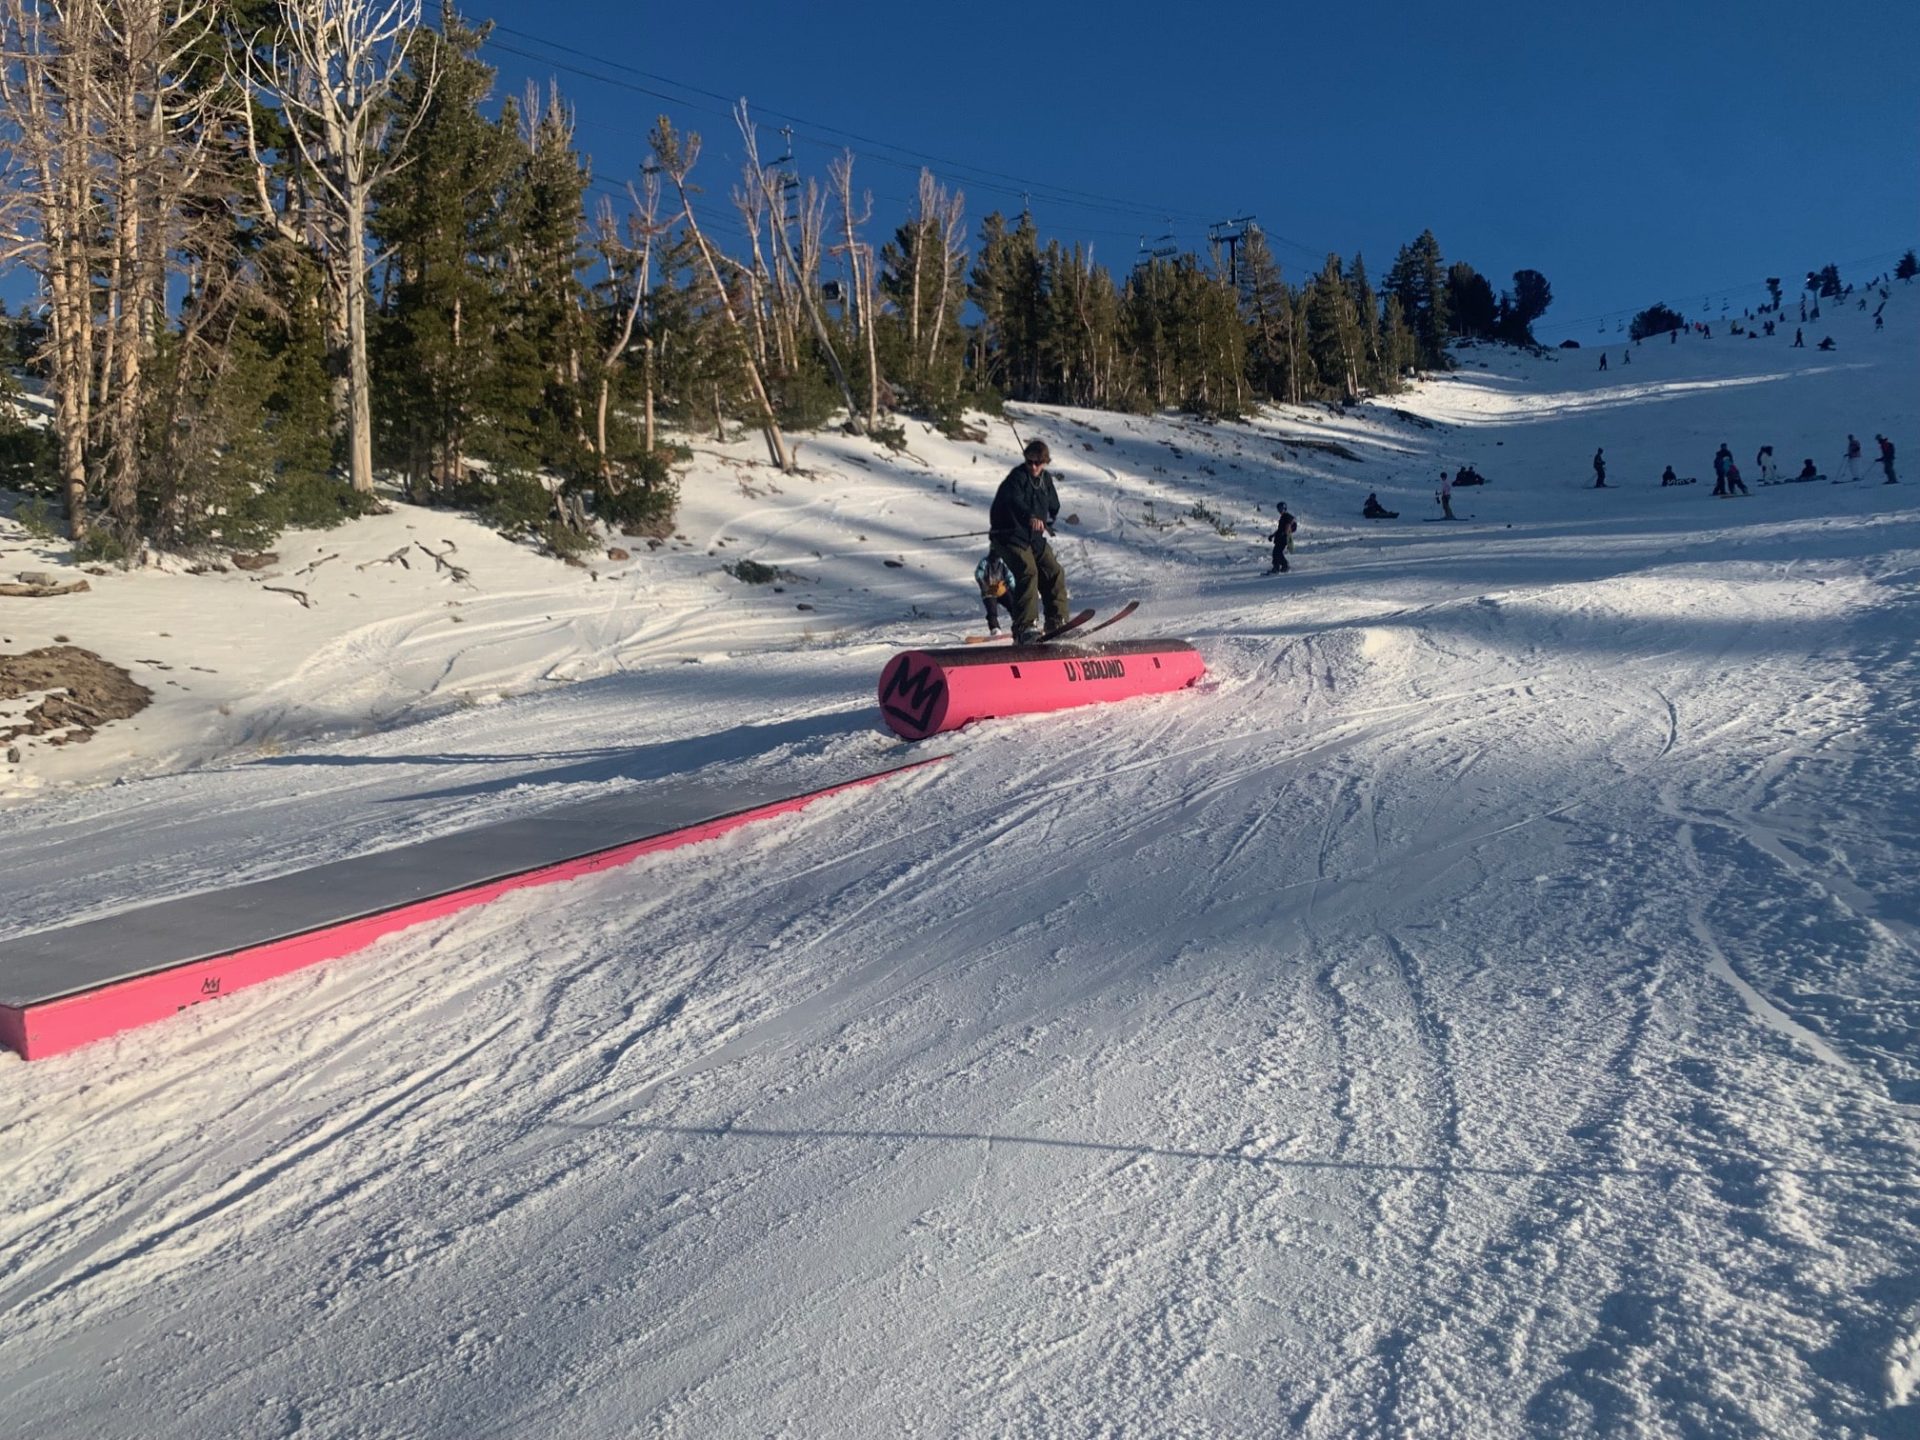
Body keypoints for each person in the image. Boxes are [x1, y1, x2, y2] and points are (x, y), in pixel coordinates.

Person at [989, 439, 1069, 643]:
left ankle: (1056, 621)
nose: (1033, 466)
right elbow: (1014, 502)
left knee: (1054, 571)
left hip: (1033, 538)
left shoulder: (1046, 480)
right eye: (1030, 462)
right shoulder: (1016, 479)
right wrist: (1031, 516)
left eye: (1038, 463)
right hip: (1008, 537)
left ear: (1045, 463)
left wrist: (1047, 521)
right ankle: (1024, 627)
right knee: (1028, 571)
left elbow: (1054, 507)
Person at [974, 553, 1017, 636]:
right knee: (992, 610)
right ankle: (995, 628)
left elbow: (1009, 576)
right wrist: (983, 585)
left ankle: (1018, 623)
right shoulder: (984, 562)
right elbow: (978, 574)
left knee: (1012, 605)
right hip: (989, 589)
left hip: (1001, 588)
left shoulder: (1002, 562)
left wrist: (1014, 590)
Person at [1268, 502, 1298, 573]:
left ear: (1285, 509)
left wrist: (1285, 534)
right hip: (1280, 538)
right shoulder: (1283, 517)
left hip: (1283, 538)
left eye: (1281, 509)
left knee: (1277, 552)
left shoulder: (1287, 516)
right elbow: (1280, 529)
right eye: (1278, 509)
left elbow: (1288, 526)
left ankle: (1281, 566)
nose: (1280, 510)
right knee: (1277, 552)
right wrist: (1273, 535)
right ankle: (1280, 566)